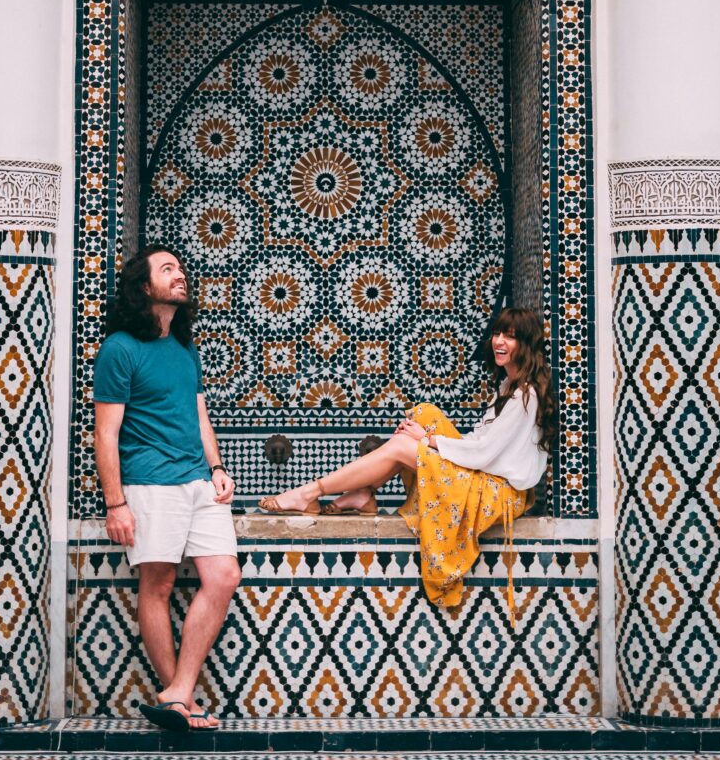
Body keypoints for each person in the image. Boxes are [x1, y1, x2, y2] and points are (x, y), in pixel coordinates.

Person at [259, 307, 556, 622]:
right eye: (498, 333)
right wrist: (425, 434)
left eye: (510, 337)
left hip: (499, 495)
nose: (499, 341)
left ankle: (309, 493)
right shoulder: (508, 388)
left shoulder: (527, 395)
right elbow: (478, 443)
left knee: (406, 444)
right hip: (486, 480)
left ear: (526, 344)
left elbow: (484, 452)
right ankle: (362, 493)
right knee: (424, 413)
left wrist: (427, 441)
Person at [93, 245, 240, 732]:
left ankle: (177, 690)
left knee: (223, 576)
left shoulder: (183, 345)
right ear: (144, 287)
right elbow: (106, 433)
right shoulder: (120, 348)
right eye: (168, 270)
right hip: (151, 483)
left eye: (179, 269)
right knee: (158, 586)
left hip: (199, 481)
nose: (180, 276)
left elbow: (198, 414)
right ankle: (181, 700)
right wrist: (116, 503)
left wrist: (216, 466)